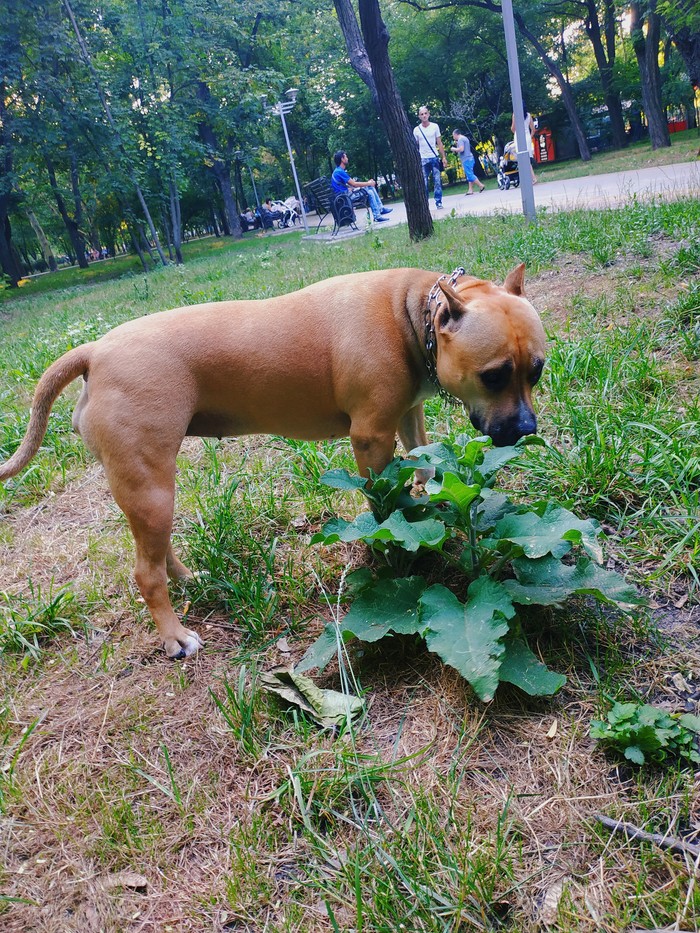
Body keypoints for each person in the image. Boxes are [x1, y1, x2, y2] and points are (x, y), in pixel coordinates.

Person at [331, 151, 392, 223]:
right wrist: (368, 183)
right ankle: (377, 216)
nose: (347, 158)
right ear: (342, 159)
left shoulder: (337, 171)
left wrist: (367, 184)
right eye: (346, 156)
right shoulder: (339, 171)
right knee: (369, 192)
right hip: (344, 198)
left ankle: (380, 209)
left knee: (370, 188)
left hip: (343, 197)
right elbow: (354, 184)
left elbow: (347, 185)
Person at [413, 105, 447, 209]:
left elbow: (439, 143)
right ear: (419, 116)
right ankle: (425, 203)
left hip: (434, 157)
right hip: (423, 159)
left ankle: (438, 201)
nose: (424, 116)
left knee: (437, 181)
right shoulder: (416, 130)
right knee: (424, 182)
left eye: (425, 113)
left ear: (429, 114)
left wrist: (444, 157)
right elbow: (415, 146)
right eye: (421, 114)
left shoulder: (434, 126)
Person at [451, 129, 485, 195]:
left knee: (469, 174)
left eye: (453, 136)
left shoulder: (460, 139)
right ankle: (470, 190)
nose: (453, 137)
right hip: (470, 158)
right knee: (470, 174)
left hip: (466, 159)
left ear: (456, 134)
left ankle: (481, 185)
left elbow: (461, 149)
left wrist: (454, 149)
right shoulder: (464, 138)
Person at [511, 104, 537, 184]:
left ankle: (532, 178)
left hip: (519, 137)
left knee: (521, 159)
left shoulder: (515, 114)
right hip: (527, 137)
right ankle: (530, 178)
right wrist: (530, 136)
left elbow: (513, 129)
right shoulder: (528, 115)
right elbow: (533, 129)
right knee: (527, 159)